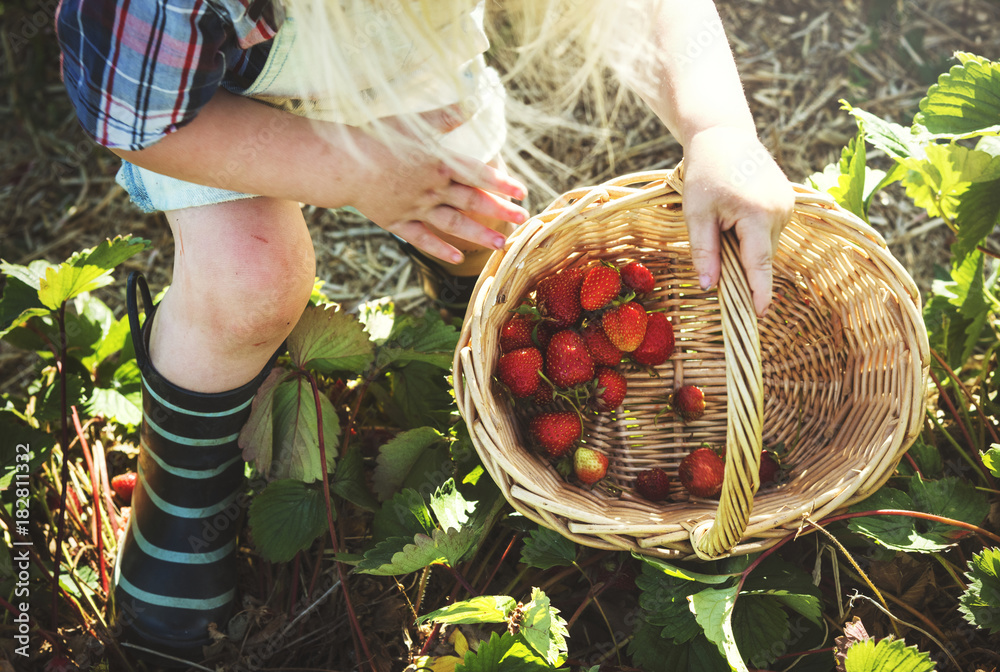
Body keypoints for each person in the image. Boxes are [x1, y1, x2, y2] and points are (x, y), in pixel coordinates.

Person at [55, 0, 794, 663]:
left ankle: (466, 318)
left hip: (400, 65)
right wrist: (355, 174)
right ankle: (182, 483)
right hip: (217, 109)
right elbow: (136, 121)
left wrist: (718, 127)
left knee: (485, 227)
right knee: (251, 283)